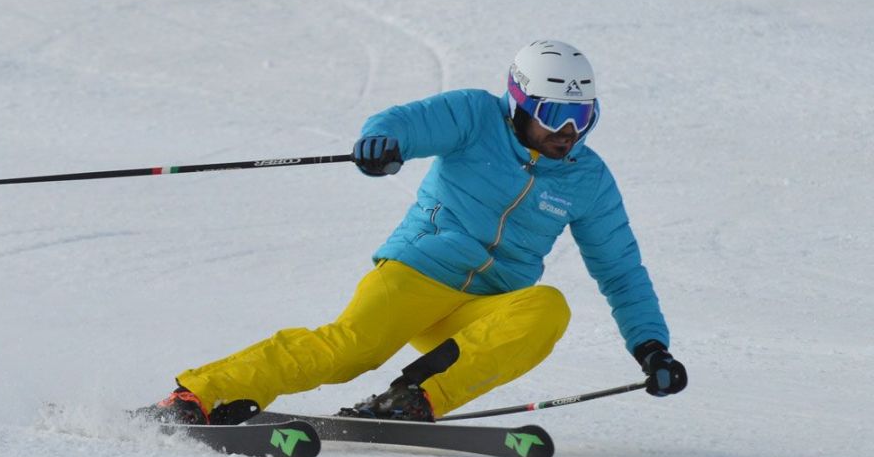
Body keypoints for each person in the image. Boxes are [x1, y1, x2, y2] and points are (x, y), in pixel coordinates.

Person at [138, 39, 687, 425]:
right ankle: (198, 395)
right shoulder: (474, 115)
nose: (568, 132)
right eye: (552, 113)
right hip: (419, 271)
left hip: (484, 304)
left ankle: (415, 398)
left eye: (582, 116)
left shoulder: (587, 178)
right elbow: (404, 122)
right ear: (519, 103)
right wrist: (381, 143)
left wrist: (651, 348)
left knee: (548, 307)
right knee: (349, 350)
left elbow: (620, 270)